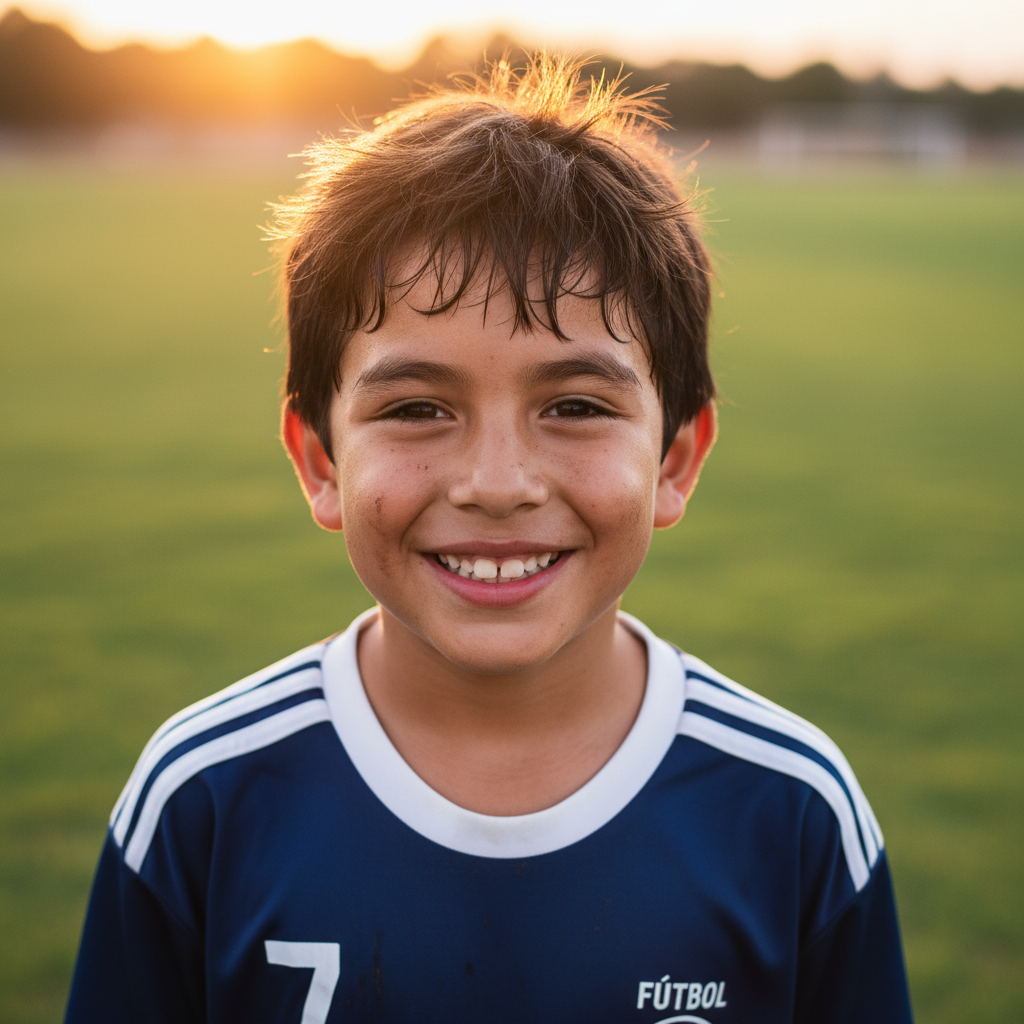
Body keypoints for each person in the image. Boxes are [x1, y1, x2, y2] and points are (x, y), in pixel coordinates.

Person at [64, 55, 913, 1023]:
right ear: (319, 460)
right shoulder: (201, 802)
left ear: (676, 458)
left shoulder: (792, 813)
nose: (497, 484)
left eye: (577, 405)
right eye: (420, 407)